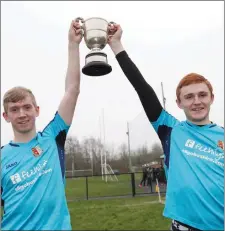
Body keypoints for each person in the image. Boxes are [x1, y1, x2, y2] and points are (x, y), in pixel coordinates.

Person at [107, 24, 224, 231]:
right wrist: (116, 45)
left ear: (212, 98)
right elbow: (142, 88)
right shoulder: (171, 131)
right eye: (189, 97)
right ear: (179, 103)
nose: (196, 101)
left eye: (202, 95)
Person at [1, 20, 83, 230]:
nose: (22, 114)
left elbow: (72, 90)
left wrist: (73, 45)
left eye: (27, 107)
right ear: (6, 116)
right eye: (14, 109)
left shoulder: (52, 138)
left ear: (37, 110)